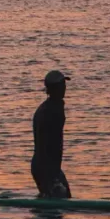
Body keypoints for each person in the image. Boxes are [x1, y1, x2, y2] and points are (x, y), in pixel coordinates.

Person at [31, 70, 72, 198]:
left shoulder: (47, 107)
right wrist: (51, 172)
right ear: (56, 88)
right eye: (62, 85)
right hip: (47, 167)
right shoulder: (52, 110)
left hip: (46, 166)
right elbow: (49, 143)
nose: (65, 88)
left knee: (61, 197)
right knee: (60, 199)